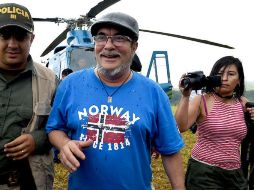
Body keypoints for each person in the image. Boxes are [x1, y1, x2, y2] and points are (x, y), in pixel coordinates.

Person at [46, 12, 185, 190]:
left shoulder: (154, 93)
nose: (109, 46)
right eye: (101, 37)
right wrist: (64, 144)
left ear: (134, 46)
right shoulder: (70, 85)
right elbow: (54, 129)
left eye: (119, 38)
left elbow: (170, 150)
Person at [0, 3, 58, 189]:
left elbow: (63, 127)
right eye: (5, 36)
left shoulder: (51, 82)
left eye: (20, 36)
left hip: (28, 182)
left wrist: (38, 140)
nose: (12, 44)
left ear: (31, 39)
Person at [175, 56, 254, 189]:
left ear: (239, 80)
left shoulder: (243, 103)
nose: (224, 78)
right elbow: (181, 126)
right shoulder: (202, 101)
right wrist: (185, 96)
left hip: (235, 174)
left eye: (231, 74)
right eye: (219, 74)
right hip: (204, 173)